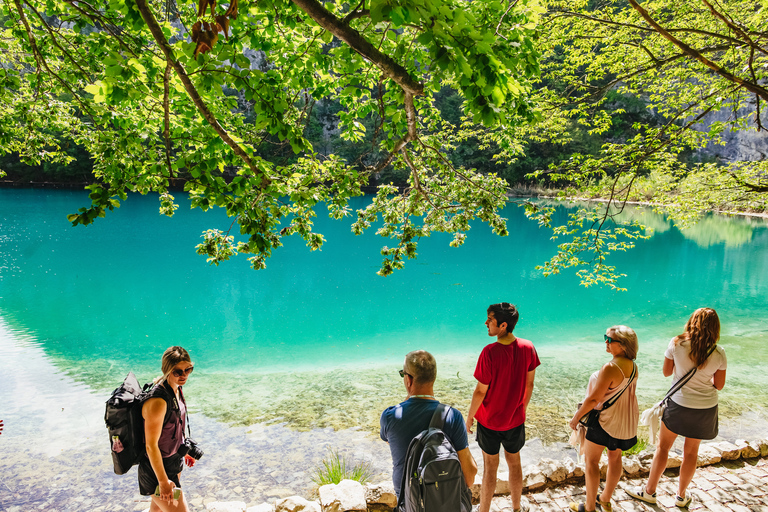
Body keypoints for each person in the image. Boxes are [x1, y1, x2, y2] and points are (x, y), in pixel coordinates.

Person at [628, 308, 726, 509]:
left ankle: (650, 492)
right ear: (715, 328)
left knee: (663, 448)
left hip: (679, 404)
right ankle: (681, 497)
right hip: (705, 408)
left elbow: (666, 373)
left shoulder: (676, 343)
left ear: (691, 322)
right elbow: (719, 385)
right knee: (691, 453)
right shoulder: (719, 352)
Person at [466, 303, 540, 512]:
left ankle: (484, 510)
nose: (486, 323)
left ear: (503, 325)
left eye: (490, 319)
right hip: (515, 420)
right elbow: (529, 384)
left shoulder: (489, 352)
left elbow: (481, 391)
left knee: (490, 468)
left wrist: (470, 417)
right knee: (514, 463)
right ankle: (516, 508)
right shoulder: (528, 347)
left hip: (489, 421)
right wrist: (521, 408)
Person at [380, 350, 478, 498]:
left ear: (408, 380)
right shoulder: (453, 416)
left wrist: (409, 395)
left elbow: (393, 443)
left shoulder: (390, 416)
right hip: (443, 501)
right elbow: (469, 478)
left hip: (408, 502)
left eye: (403, 374)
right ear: (433, 378)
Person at [568, 326, 639, 512]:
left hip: (605, 422)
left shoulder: (610, 367)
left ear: (623, 345)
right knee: (615, 458)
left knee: (591, 462)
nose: (606, 342)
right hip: (623, 423)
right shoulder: (633, 367)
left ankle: (589, 507)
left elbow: (593, 399)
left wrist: (576, 417)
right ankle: (605, 500)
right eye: (605, 337)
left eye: (610, 339)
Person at [140, 346, 197, 512]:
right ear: (167, 370)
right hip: (157, 469)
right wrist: (163, 481)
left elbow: (174, 427)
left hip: (173, 461)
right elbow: (150, 446)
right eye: (177, 372)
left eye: (188, 369)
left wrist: (183, 450)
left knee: (157, 510)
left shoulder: (176, 389)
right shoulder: (158, 402)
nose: (184, 375)